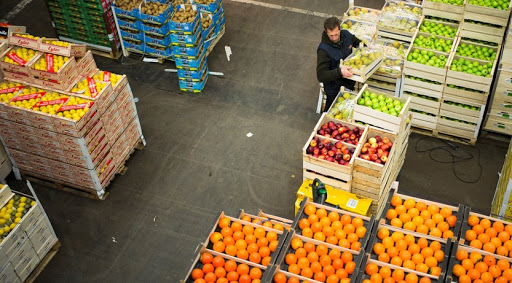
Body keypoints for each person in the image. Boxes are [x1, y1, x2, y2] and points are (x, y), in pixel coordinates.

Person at [317, 17, 362, 112]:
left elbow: (358, 43)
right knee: (331, 113)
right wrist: (340, 71)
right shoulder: (323, 50)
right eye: (331, 35)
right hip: (334, 89)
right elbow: (321, 75)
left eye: (336, 34)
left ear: (340, 29)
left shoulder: (346, 35)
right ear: (326, 32)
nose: (334, 38)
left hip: (349, 83)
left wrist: (365, 50)